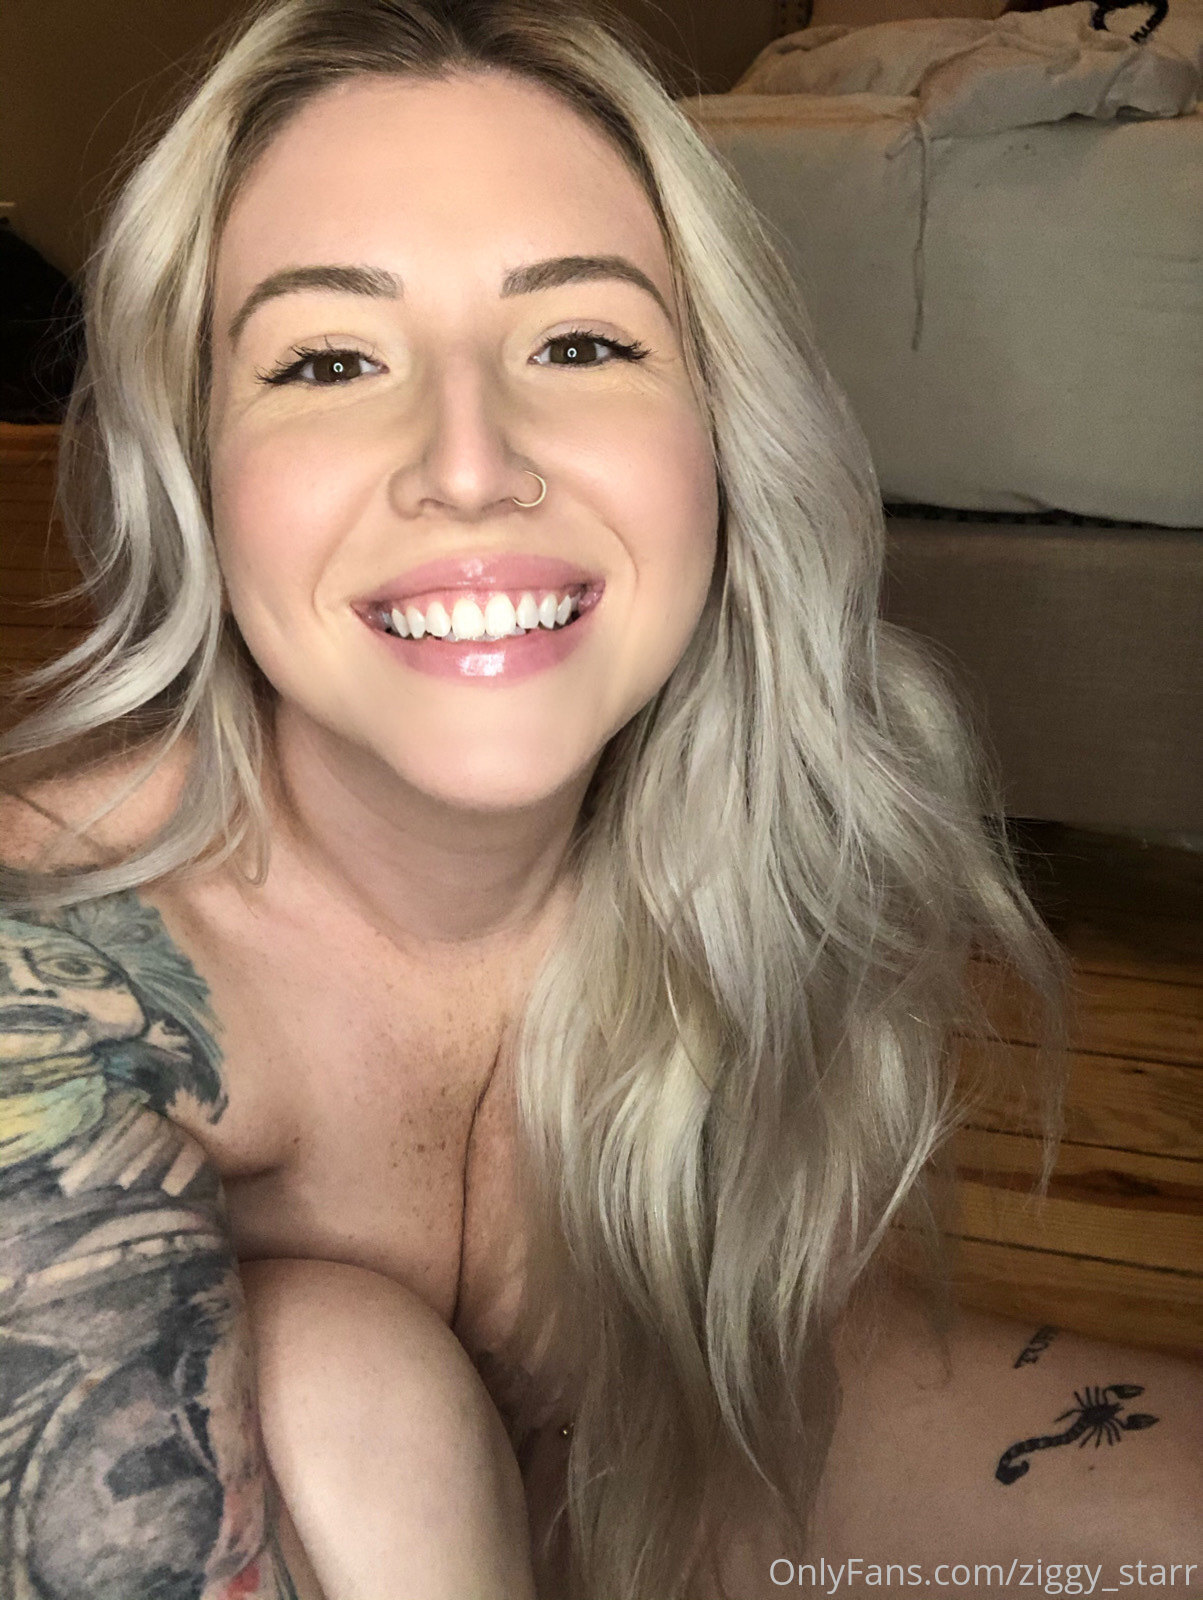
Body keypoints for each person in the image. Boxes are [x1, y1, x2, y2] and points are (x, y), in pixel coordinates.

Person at [1, 1, 1200, 1596]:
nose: (471, 462)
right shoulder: (51, 1001)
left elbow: (719, 1418)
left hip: (624, 1501)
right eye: (331, 360)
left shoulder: (740, 850)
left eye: (580, 344)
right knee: (337, 1388)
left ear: (723, 433)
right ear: (197, 473)